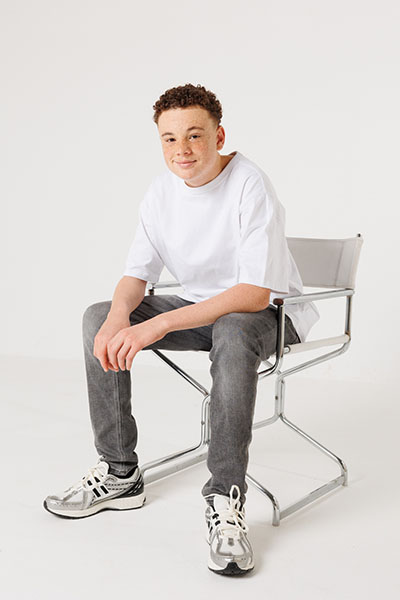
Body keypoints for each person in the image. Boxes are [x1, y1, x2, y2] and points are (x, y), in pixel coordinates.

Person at [43, 83, 319, 576]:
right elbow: (136, 275)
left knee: (234, 330)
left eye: (195, 135)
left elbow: (254, 294)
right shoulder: (160, 192)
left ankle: (225, 498)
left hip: (271, 316)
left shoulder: (249, 183)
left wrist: (159, 325)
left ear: (219, 136)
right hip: (200, 312)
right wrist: (118, 318)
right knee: (97, 316)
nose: (182, 149)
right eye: (170, 139)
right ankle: (120, 472)